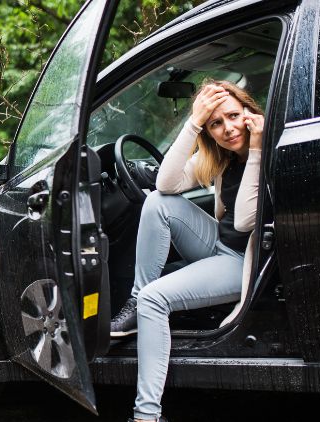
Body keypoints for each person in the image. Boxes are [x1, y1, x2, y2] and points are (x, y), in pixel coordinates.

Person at [108, 80, 264, 422]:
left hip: (243, 262)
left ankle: (146, 416)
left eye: (234, 116)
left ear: (249, 112)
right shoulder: (220, 158)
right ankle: (136, 300)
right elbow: (165, 183)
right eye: (216, 124)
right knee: (157, 202)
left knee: (156, 299)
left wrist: (256, 150)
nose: (228, 129)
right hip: (218, 245)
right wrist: (193, 122)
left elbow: (246, 222)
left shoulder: (268, 151)